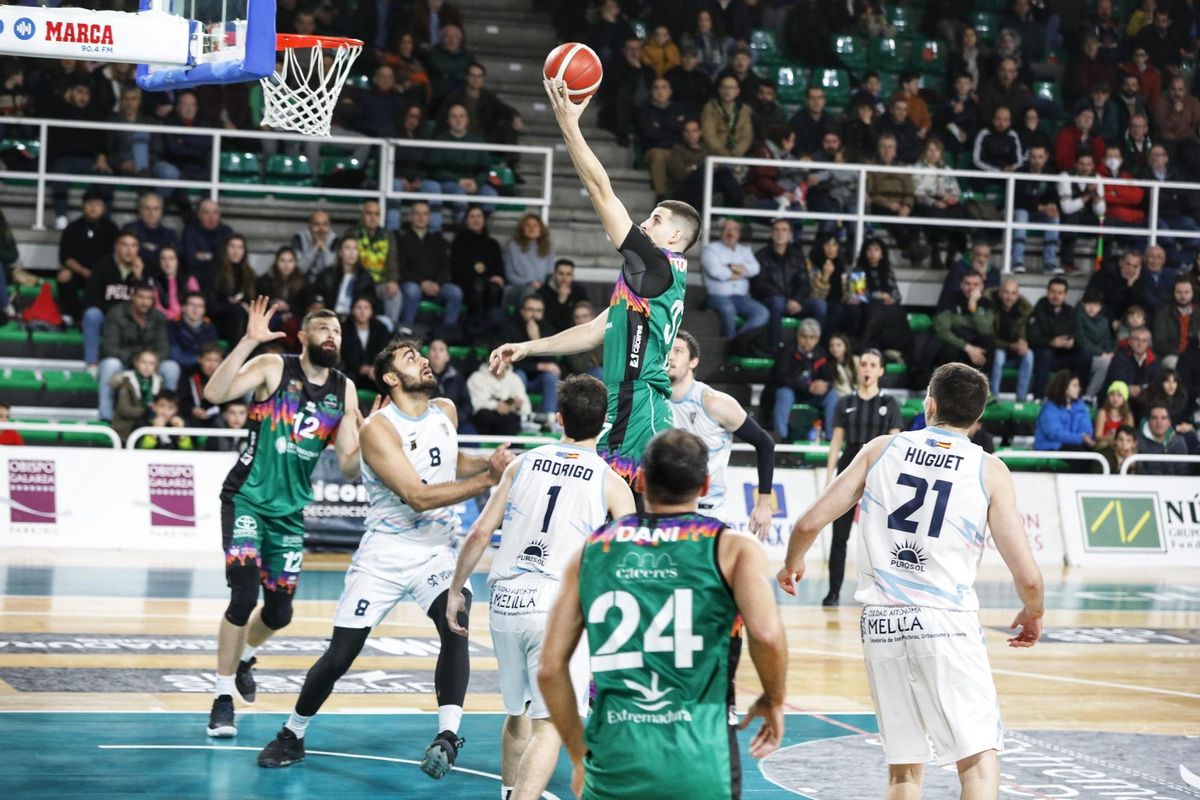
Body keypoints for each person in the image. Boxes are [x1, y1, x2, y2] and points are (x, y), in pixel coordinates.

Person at [778, 363, 1045, 800]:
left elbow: (808, 522)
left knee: (904, 772)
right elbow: (1029, 577)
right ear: (978, 420)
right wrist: (1033, 613)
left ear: (929, 405)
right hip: (946, 623)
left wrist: (793, 561)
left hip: (881, 624)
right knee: (977, 763)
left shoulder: (882, 449)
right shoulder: (990, 469)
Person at [255, 337, 511, 775]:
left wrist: (489, 463)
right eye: (411, 358)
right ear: (391, 378)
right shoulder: (379, 429)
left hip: (436, 551)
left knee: (457, 621)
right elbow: (418, 496)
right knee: (341, 655)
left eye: (422, 355)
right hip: (386, 554)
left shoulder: (445, 411)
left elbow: (452, 461)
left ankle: (448, 735)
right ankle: (292, 732)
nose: (425, 360)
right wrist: (491, 479)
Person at [538, 429, 788, 799]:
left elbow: (549, 669)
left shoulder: (592, 551)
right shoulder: (734, 549)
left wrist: (579, 755)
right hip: (701, 762)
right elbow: (766, 636)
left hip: (613, 764)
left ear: (639, 480)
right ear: (705, 486)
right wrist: (773, 697)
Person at [489, 78, 701, 489]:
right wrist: (528, 347)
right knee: (603, 512)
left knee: (629, 517)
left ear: (674, 237)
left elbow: (600, 190)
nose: (644, 223)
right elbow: (594, 331)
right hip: (625, 399)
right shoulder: (649, 279)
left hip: (640, 403)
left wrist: (568, 123)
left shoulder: (656, 264)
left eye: (655, 219)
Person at [444, 375, 635, 800]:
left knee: (519, 713)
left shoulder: (521, 463)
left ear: (559, 418)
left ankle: (509, 792)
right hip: (556, 608)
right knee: (553, 725)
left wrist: (456, 589)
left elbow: (478, 533)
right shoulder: (612, 482)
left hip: (505, 601)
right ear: (604, 423)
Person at [202, 298, 364, 739]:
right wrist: (248, 342)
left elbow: (349, 465)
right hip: (247, 499)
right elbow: (213, 395)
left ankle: (244, 661)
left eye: (338, 332)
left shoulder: (344, 389)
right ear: (305, 336)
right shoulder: (274, 366)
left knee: (280, 613)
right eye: (325, 329)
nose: (333, 335)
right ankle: (221, 698)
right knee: (243, 594)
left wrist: (369, 433)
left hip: (290, 514)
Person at [668, 331, 775, 532]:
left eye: (678, 351)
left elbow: (765, 443)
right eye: (666, 351)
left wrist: (763, 504)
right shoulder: (652, 401)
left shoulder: (713, 402)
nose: (670, 357)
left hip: (707, 516)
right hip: (667, 513)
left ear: (693, 362)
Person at [819, 349, 902, 606]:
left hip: (879, 471)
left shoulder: (889, 404)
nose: (867, 368)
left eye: (872, 365)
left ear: (880, 370)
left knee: (882, 536)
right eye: (863, 364)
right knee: (839, 535)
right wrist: (829, 476)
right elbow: (836, 443)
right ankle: (833, 592)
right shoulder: (845, 402)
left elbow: (896, 443)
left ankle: (884, 591)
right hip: (849, 468)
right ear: (859, 369)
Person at [753, 218, 824, 345]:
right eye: (777, 230)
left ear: (790, 235)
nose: (780, 233)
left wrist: (797, 300)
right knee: (778, 302)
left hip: (794, 302)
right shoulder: (761, 256)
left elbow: (805, 283)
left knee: (820, 305)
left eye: (784, 230)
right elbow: (761, 285)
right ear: (771, 234)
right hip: (770, 302)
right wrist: (787, 300)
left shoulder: (797, 255)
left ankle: (816, 349)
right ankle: (774, 348)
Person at [396, 201, 460, 329]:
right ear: (411, 217)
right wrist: (422, 283)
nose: (421, 217)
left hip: (436, 285)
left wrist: (437, 283)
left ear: (429, 217)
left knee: (455, 293)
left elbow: (445, 267)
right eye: (417, 213)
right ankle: (407, 331)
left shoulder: (438, 240)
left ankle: (446, 333)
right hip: (412, 283)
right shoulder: (402, 239)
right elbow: (401, 269)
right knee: (412, 291)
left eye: (425, 214)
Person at [702, 218, 768, 338]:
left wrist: (728, 266)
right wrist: (742, 272)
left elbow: (756, 269)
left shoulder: (745, 250)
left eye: (734, 229)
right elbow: (715, 271)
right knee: (728, 308)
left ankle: (736, 341)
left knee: (762, 312)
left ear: (739, 233)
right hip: (717, 297)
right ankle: (729, 340)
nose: (730, 233)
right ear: (720, 232)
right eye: (727, 229)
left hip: (741, 298)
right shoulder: (710, 249)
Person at [988, 278, 1035, 399]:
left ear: (1017, 296)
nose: (1009, 297)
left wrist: (1023, 342)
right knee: (998, 356)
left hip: (1014, 350)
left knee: (1029, 355)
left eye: (1013, 293)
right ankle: (994, 398)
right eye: (1006, 292)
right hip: (997, 348)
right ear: (1000, 293)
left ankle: (1021, 398)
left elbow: (1024, 333)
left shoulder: (1023, 311)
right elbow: (989, 338)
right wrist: (1009, 346)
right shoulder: (990, 308)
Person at [1035, 370, 1096, 451]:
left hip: (1077, 444)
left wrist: (1084, 438)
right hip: (1052, 446)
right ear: (1064, 387)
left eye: (1078, 386)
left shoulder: (1081, 407)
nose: (1079, 388)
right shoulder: (1050, 408)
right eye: (1074, 386)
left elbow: (1087, 429)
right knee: (1081, 455)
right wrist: (1080, 438)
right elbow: (1054, 434)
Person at [468, 359, 528, 435]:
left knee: (512, 420)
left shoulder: (515, 379)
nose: (499, 364)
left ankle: (510, 445)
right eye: (496, 360)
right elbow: (474, 403)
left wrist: (518, 406)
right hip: (485, 420)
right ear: (489, 361)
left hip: (508, 419)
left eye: (502, 360)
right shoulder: (476, 378)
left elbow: (526, 408)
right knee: (483, 415)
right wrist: (495, 406)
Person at [339, 297, 391, 385]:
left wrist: (374, 368)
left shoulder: (380, 329)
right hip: (352, 371)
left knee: (386, 380)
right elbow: (344, 354)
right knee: (347, 380)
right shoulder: (344, 328)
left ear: (371, 311)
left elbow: (385, 352)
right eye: (359, 307)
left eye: (366, 308)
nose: (362, 312)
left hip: (374, 371)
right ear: (352, 310)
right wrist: (361, 368)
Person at [536, 258, 588, 334]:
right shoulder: (542, 292)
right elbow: (544, 320)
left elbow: (586, 314)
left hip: (575, 332)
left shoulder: (579, 291)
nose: (564, 278)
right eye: (561, 273)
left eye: (568, 274)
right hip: (551, 334)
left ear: (573, 276)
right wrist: (560, 301)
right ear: (554, 274)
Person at [178, 342, 223, 429]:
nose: (212, 365)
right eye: (208, 360)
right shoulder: (189, 375)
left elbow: (228, 404)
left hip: (217, 418)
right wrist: (192, 410)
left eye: (216, 361)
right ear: (200, 359)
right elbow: (182, 399)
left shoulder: (225, 377)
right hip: (191, 417)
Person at [1137, 403, 1189, 473]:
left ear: (1169, 422)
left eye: (1163, 418)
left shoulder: (1179, 442)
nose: (1159, 422)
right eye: (1154, 418)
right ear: (1149, 422)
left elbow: (1183, 472)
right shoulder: (1139, 443)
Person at [291, 209, 338, 277]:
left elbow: (332, 269)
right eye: (317, 224)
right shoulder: (298, 239)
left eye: (325, 224)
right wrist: (315, 248)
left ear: (329, 226)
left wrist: (324, 248)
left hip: (325, 283)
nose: (321, 229)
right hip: (303, 281)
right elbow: (299, 269)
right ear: (310, 226)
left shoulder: (335, 240)